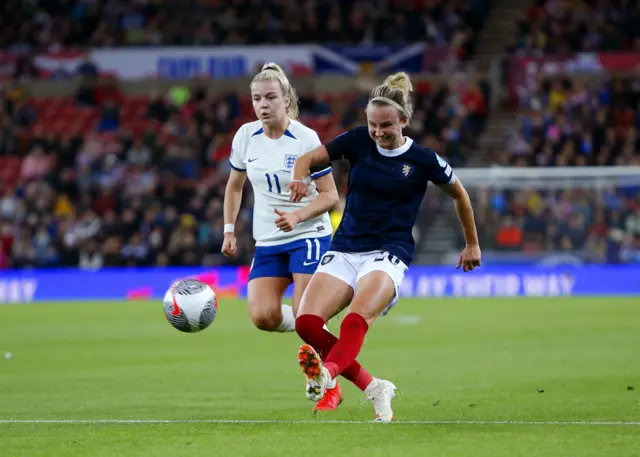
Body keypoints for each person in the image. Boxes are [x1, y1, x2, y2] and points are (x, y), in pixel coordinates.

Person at [288, 72, 482, 422]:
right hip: (345, 247)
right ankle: (375, 387)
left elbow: (460, 195)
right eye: (373, 124)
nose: (378, 132)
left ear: (404, 121)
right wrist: (299, 179)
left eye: (386, 125)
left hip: (388, 252)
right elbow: (307, 160)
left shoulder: (424, 159)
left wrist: (472, 244)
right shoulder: (357, 141)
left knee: (354, 319)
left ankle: (328, 373)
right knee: (306, 323)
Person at [223, 63, 380, 413]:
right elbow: (234, 185)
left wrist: (297, 216)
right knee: (263, 316)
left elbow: (330, 196)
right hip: (268, 240)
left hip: (308, 235)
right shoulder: (245, 136)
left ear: (286, 99)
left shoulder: (306, 139)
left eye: (270, 98)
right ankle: (312, 327)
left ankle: (331, 387)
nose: (263, 105)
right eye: (256, 99)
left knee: (306, 318)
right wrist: (229, 229)